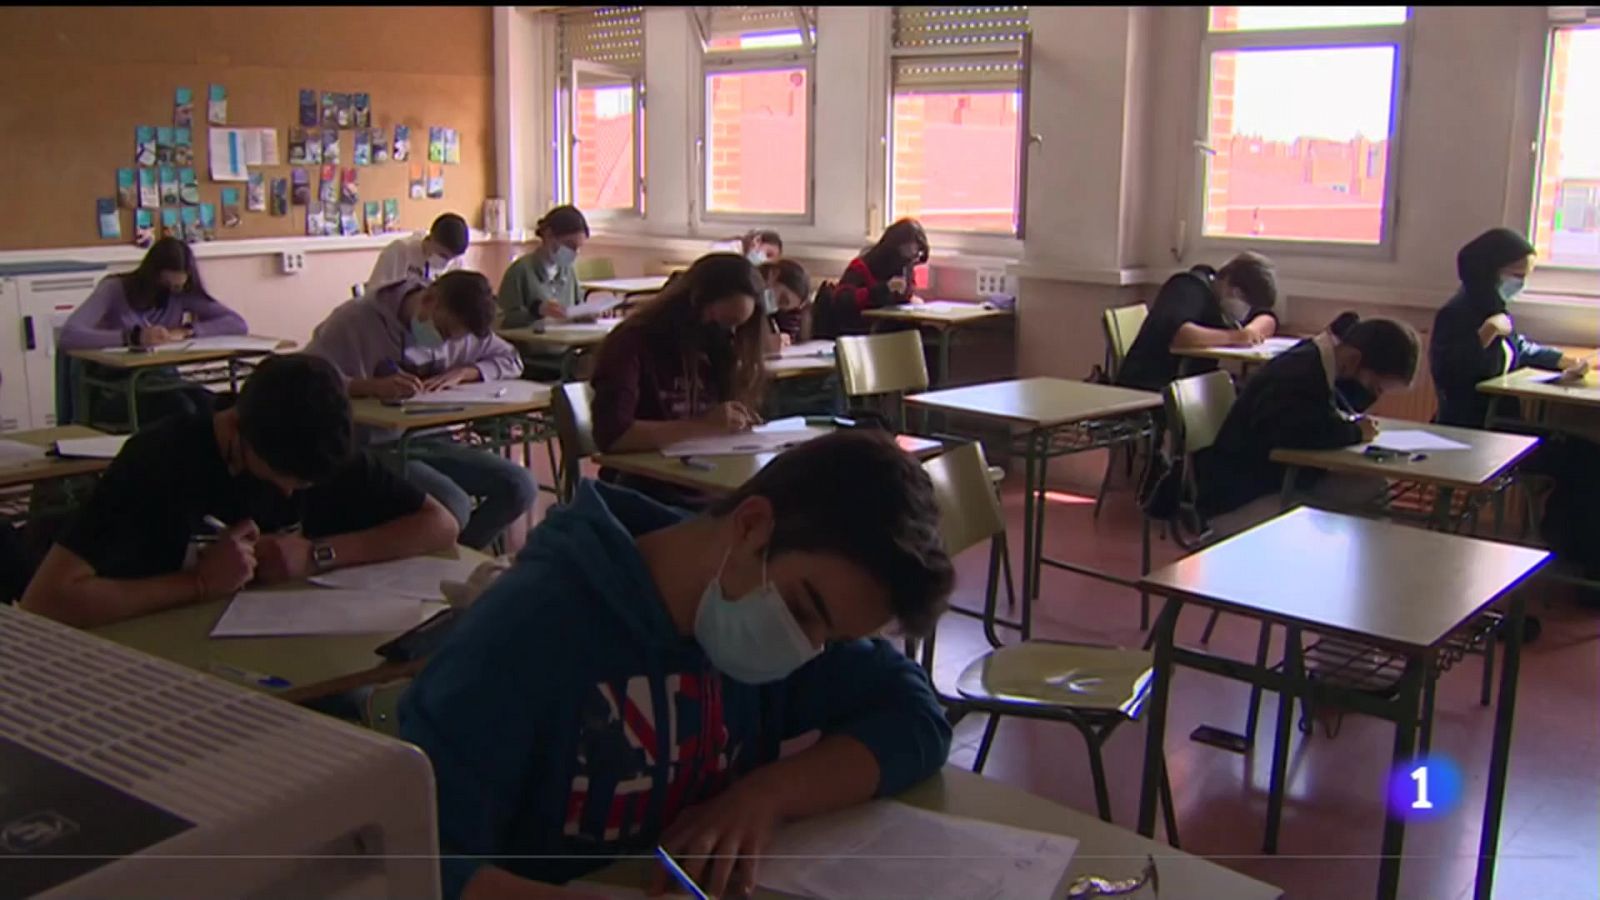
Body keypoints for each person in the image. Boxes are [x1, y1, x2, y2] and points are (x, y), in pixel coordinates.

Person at [398, 429, 955, 900]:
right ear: (751, 525)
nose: (805, 649)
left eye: (830, 641)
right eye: (806, 612)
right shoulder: (526, 631)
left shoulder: (772, 612)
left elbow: (915, 714)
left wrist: (765, 795)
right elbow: (413, 859)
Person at [19, 354, 459, 629]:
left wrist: (317, 553)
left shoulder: (318, 440)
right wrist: (199, 582)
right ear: (236, 429)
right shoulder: (159, 461)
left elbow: (439, 524)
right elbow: (48, 601)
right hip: (161, 660)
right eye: (279, 478)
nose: (290, 495)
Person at [305, 271, 538, 551]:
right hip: (375, 446)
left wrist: (466, 371)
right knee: (454, 505)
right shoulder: (355, 320)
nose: (445, 343)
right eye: (443, 333)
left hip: (429, 439)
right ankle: (441, 554)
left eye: (455, 340)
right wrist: (368, 386)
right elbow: (307, 380)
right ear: (429, 300)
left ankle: (457, 557)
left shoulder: (460, 325)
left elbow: (510, 358)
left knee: (520, 485)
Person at [1429, 227, 1600, 581]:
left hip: (1500, 425)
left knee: (1587, 456)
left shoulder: (1492, 308)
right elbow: (1453, 374)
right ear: (1490, 271)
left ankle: (1573, 550)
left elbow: (1521, 349)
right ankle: (1576, 557)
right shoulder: (1459, 313)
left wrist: (1566, 362)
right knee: (1586, 461)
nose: (1520, 283)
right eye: (1516, 276)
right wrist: (1486, 334)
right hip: (1473, 432)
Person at [1195, 316, 1421, 529]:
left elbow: (1320, 418)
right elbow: (1292, 434)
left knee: (1372, 487)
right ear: (1354, 360)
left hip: (1272, 483)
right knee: (1368, 497)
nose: (1372, 396)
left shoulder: (1317, 363)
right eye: (1375, 387)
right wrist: (1354, 432)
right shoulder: (1299, 374)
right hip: (1240, 498)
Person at [590, 253, 769, 508]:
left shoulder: (719, 347)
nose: (728, 334)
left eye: (736, 327)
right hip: (644, 491)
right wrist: (704, 425)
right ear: (696, 303)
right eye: (724, 323)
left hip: (706, 482)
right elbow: (614, 435)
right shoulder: (632, 342)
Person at [59, 237, 249, 426]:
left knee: (214, 405)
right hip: (116, 389)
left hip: (161, 381)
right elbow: (69, 336)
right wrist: (133, 337)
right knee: (182, 409)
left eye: (178, 286)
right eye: (166, 285)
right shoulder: (114, 290)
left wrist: (187, 330)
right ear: (152, 277)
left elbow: (237, 323)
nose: (171, 293)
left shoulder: (179, 294)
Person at [1115, 251, 1279, 392]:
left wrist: (1252, 331)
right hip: (1155, 383)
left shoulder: (1224, 300)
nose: (1245, 308)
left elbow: (1268, 318)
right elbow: (1181, 335)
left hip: (1193, 383)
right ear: (1228, 282)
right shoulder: (1187, 288)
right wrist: (1236, 337)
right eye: (1240, 297)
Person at [812, 219, 929, 339]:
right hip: (859, 330)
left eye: (916, 256)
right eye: (908, 252)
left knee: (926, 333)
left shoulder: (906, 266)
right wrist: (884, 288)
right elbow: (843, 299)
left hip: (887, 326)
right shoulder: (862, 266)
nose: (911, 260)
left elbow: (901, 299)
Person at [497, 205, 590, 328]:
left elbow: (577, 306)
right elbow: (502, 320)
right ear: (549, 235)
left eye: (578, 247)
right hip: (533, 346)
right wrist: (536, 311)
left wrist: (585, 315)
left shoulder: (568, 271)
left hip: (566, 343)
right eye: (569, 245)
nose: (575, 252)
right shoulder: (520, 271)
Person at [365, 212, 470, 294]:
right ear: (431, 239)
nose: (446, 263)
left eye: (451, 258)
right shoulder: (399, 251)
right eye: (443, 255)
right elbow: (375, 295)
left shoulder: (457, 263)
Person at [759, 258, 812, 353]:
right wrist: (761, 345)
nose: (774, 306)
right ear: (774, 274)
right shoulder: (740, 287)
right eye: (782, 299)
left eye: (780, 307)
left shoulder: (760, 312)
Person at [713, 229, 784, 266]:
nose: (765, 262)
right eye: (768, 254)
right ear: (757, 240)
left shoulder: (743, 259)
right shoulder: (728, 249)